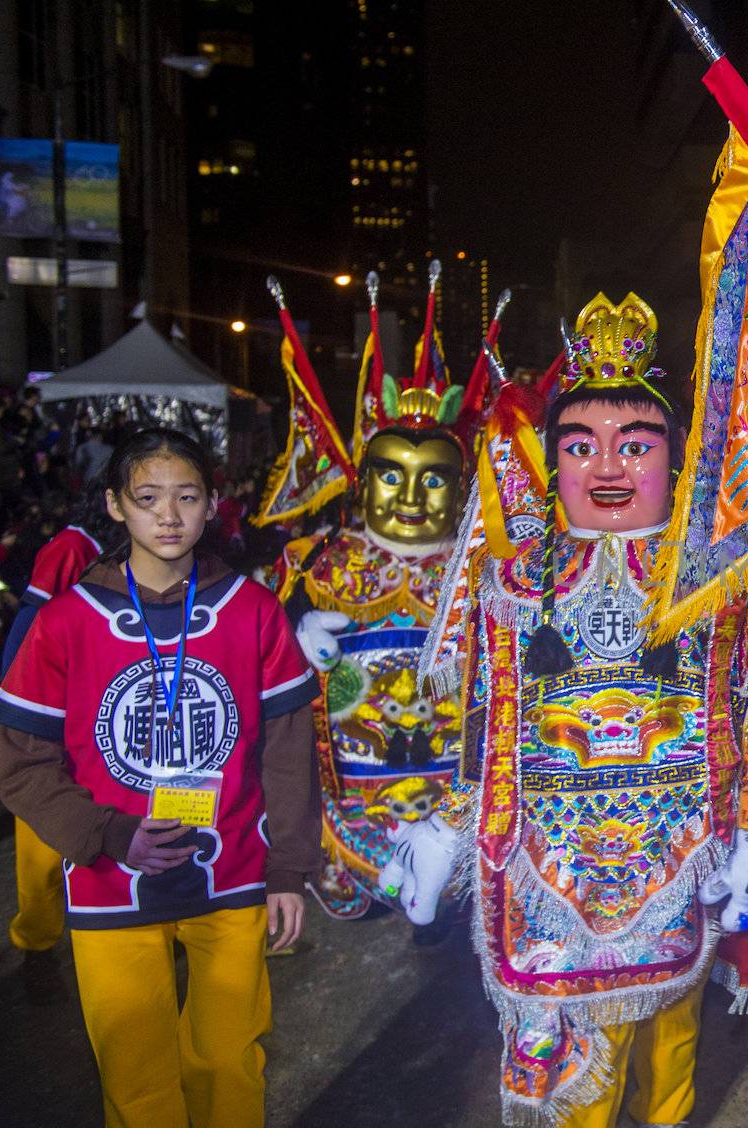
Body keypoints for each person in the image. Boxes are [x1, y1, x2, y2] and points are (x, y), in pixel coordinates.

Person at [423, 292, 748, 1127]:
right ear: (553, 462)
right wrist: (451, 824)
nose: (607, 469)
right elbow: (485, 729)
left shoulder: (725, 576)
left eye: (636, 447)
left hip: (681, 861)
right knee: (567, 1091)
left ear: (677, 459)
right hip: (545, 872)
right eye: (580, 446)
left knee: (667, 1074)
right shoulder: (512, 583)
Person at [0, 427, 320, 1128]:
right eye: (147, 498)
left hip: (232, 872)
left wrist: (289, 869)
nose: (168, 517)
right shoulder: (65, 623)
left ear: (212, 507)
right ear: (115, 506)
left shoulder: (253, 612)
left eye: (186, 497)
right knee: (135, 1077)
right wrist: (108, 834)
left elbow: (289, 749)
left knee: (228, 1061)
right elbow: (22, 766)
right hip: (110, 882)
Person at [259, 271, 481, 940]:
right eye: (391, 475)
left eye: (433, 479)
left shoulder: (489, 568)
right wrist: (296, 635)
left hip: (452, 794)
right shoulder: (314, 565)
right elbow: (264, 672)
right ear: (361, 480)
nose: (411, 497)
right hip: (352, 802)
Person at [0, 495, 115, 998]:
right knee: (43, 842)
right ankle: (37, 946)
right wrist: (25, 711)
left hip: (104, 714)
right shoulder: (73, 546)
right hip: (56, 716)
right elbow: (28, 630)